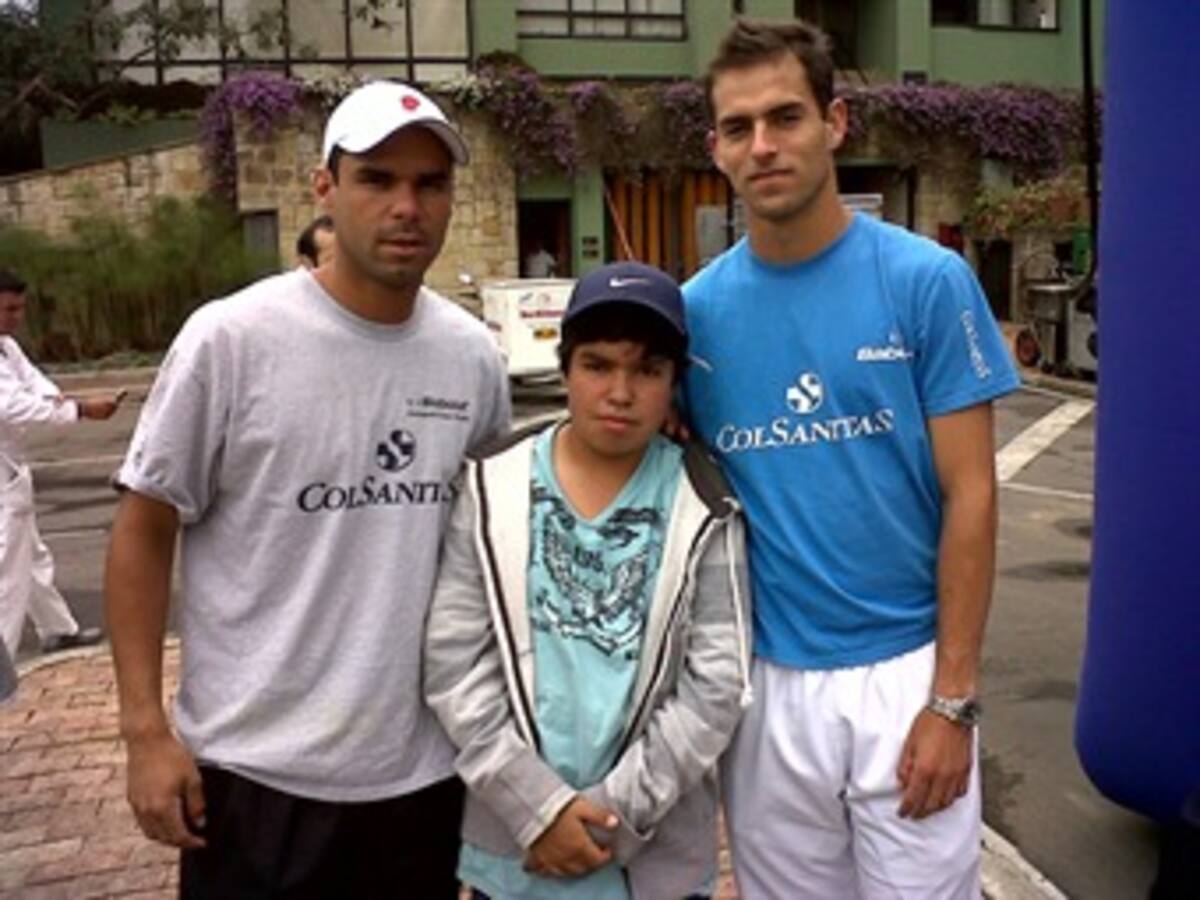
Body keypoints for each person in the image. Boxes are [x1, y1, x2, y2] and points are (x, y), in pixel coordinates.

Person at [104, 80, 511, 898]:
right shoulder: (232, 341)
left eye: (430, 184)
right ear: (325, 188)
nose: (407, 207)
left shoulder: (471, 357)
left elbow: (490, 546)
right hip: (256, 782)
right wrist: (145, 731)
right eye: (377, 179)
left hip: (422, 780)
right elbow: (144, 528)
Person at [682, 19, 1021, 899]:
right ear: (715, 149)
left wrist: (952, 698)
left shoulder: (926, 282)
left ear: (835, 123)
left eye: (786, 117)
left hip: (908, 675)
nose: (763, 145)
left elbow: (973, 495)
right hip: (766, 688)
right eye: (738, 127)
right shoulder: (693, 316)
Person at [424, 261, 751, 900]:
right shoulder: (491, 485)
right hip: (515, 854)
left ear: (674, 383)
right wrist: (537, 811)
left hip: (651, 862)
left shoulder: (705, 501)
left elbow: (718, 683)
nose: (620, 392)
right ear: (565, 368)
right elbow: (453, 661)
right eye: (598, 365)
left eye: (647, 370)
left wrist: (608, 819)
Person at [1, 270, 118, 658]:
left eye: (20, 308)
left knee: (31, 555)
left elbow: (35, 384)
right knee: (8, 569)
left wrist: (60, 401)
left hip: (10, 464)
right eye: (8, 309)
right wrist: (79, 410)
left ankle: (57, 628)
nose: (16, 317)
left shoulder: (6, 347)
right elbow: (14, 406)